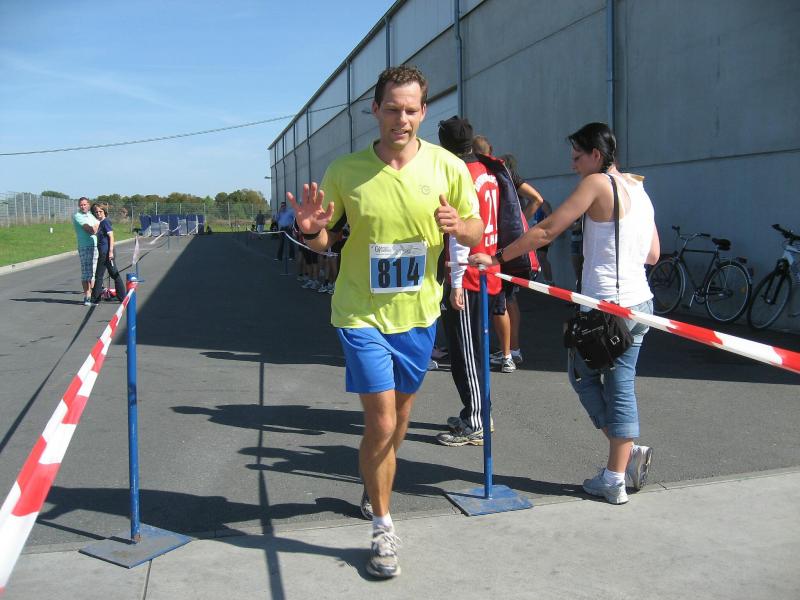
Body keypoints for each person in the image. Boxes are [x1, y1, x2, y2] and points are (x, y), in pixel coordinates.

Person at [287, 65, 483, 578]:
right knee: (382, 422)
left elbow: (476, 230)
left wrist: (459, 226)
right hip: (360, 312)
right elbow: (325, 240)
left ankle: (375, 483)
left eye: (411, 110)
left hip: (418, 313)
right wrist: (310, 231)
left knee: (400, 418)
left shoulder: (448, 167)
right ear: (375, 110)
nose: (402, 119)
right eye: (392, 108)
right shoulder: (346, 170)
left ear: (423, 111)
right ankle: (383, 526)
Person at [469, 122, 660, 505]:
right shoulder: (638, 188)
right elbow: (653, 254)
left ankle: (616, 475)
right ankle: (623, 455)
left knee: (591, 380)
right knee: (605, 379)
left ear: (596, 155)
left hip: (607, 307)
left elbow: (547, 230)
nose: (572, 165)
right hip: (640, 304)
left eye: (577, 157)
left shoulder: (597, 184)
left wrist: (498, 258)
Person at [435, 116, 507, 446]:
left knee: (467, 353)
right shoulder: (488, 170)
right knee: (474, 350)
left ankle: (477, 420)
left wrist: (456, 283)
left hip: (468, 274)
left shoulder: (459, 173)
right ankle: (473, 412)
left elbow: (459, 234)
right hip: (486, 267)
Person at [89, 203, 126, 304]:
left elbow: (111, 237)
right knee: (107, 274)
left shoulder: (105, 222)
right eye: (96, 212)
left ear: (104, 211)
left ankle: (95, 298)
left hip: (106, 253)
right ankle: (121, 296)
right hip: (103, 252)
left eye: (100, 211)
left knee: (103, 275)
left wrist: (110, 252)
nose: (98, 213)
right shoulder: (101, 223)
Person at [72, 197, 99, 305]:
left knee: (94, 272)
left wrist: (97, 226)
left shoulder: (91, 215)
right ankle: (87, 296)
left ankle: (92, 295)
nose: (83, 207)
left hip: (95, 245)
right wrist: (97, 225)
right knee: (86, 273)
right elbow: (91, 230)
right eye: (81, 205)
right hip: (85, 246)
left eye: (84, 204)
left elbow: (99, 225)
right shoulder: (78, 216)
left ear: (88, 205)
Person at [530, 199, 554, 284]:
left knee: (542, 257)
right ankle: (546, 280)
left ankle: (550, 281)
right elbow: (536, 221)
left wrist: (550, 236)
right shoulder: (535, 205)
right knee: (539, 258)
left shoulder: (544, 204)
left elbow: (551, 220)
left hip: (543, 234)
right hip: (537, 235)